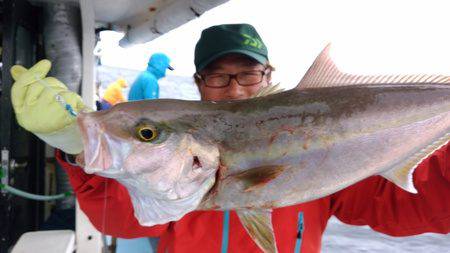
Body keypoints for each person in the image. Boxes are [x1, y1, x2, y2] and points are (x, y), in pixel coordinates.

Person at [12, 24, 450, 253]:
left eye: (247, 74)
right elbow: (120, 222)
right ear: (199, 83)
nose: (235, 89)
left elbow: (404, 208)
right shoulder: (175, 161)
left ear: (268, 76)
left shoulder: (327, 141)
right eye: (218, 77)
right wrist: (74, 146)